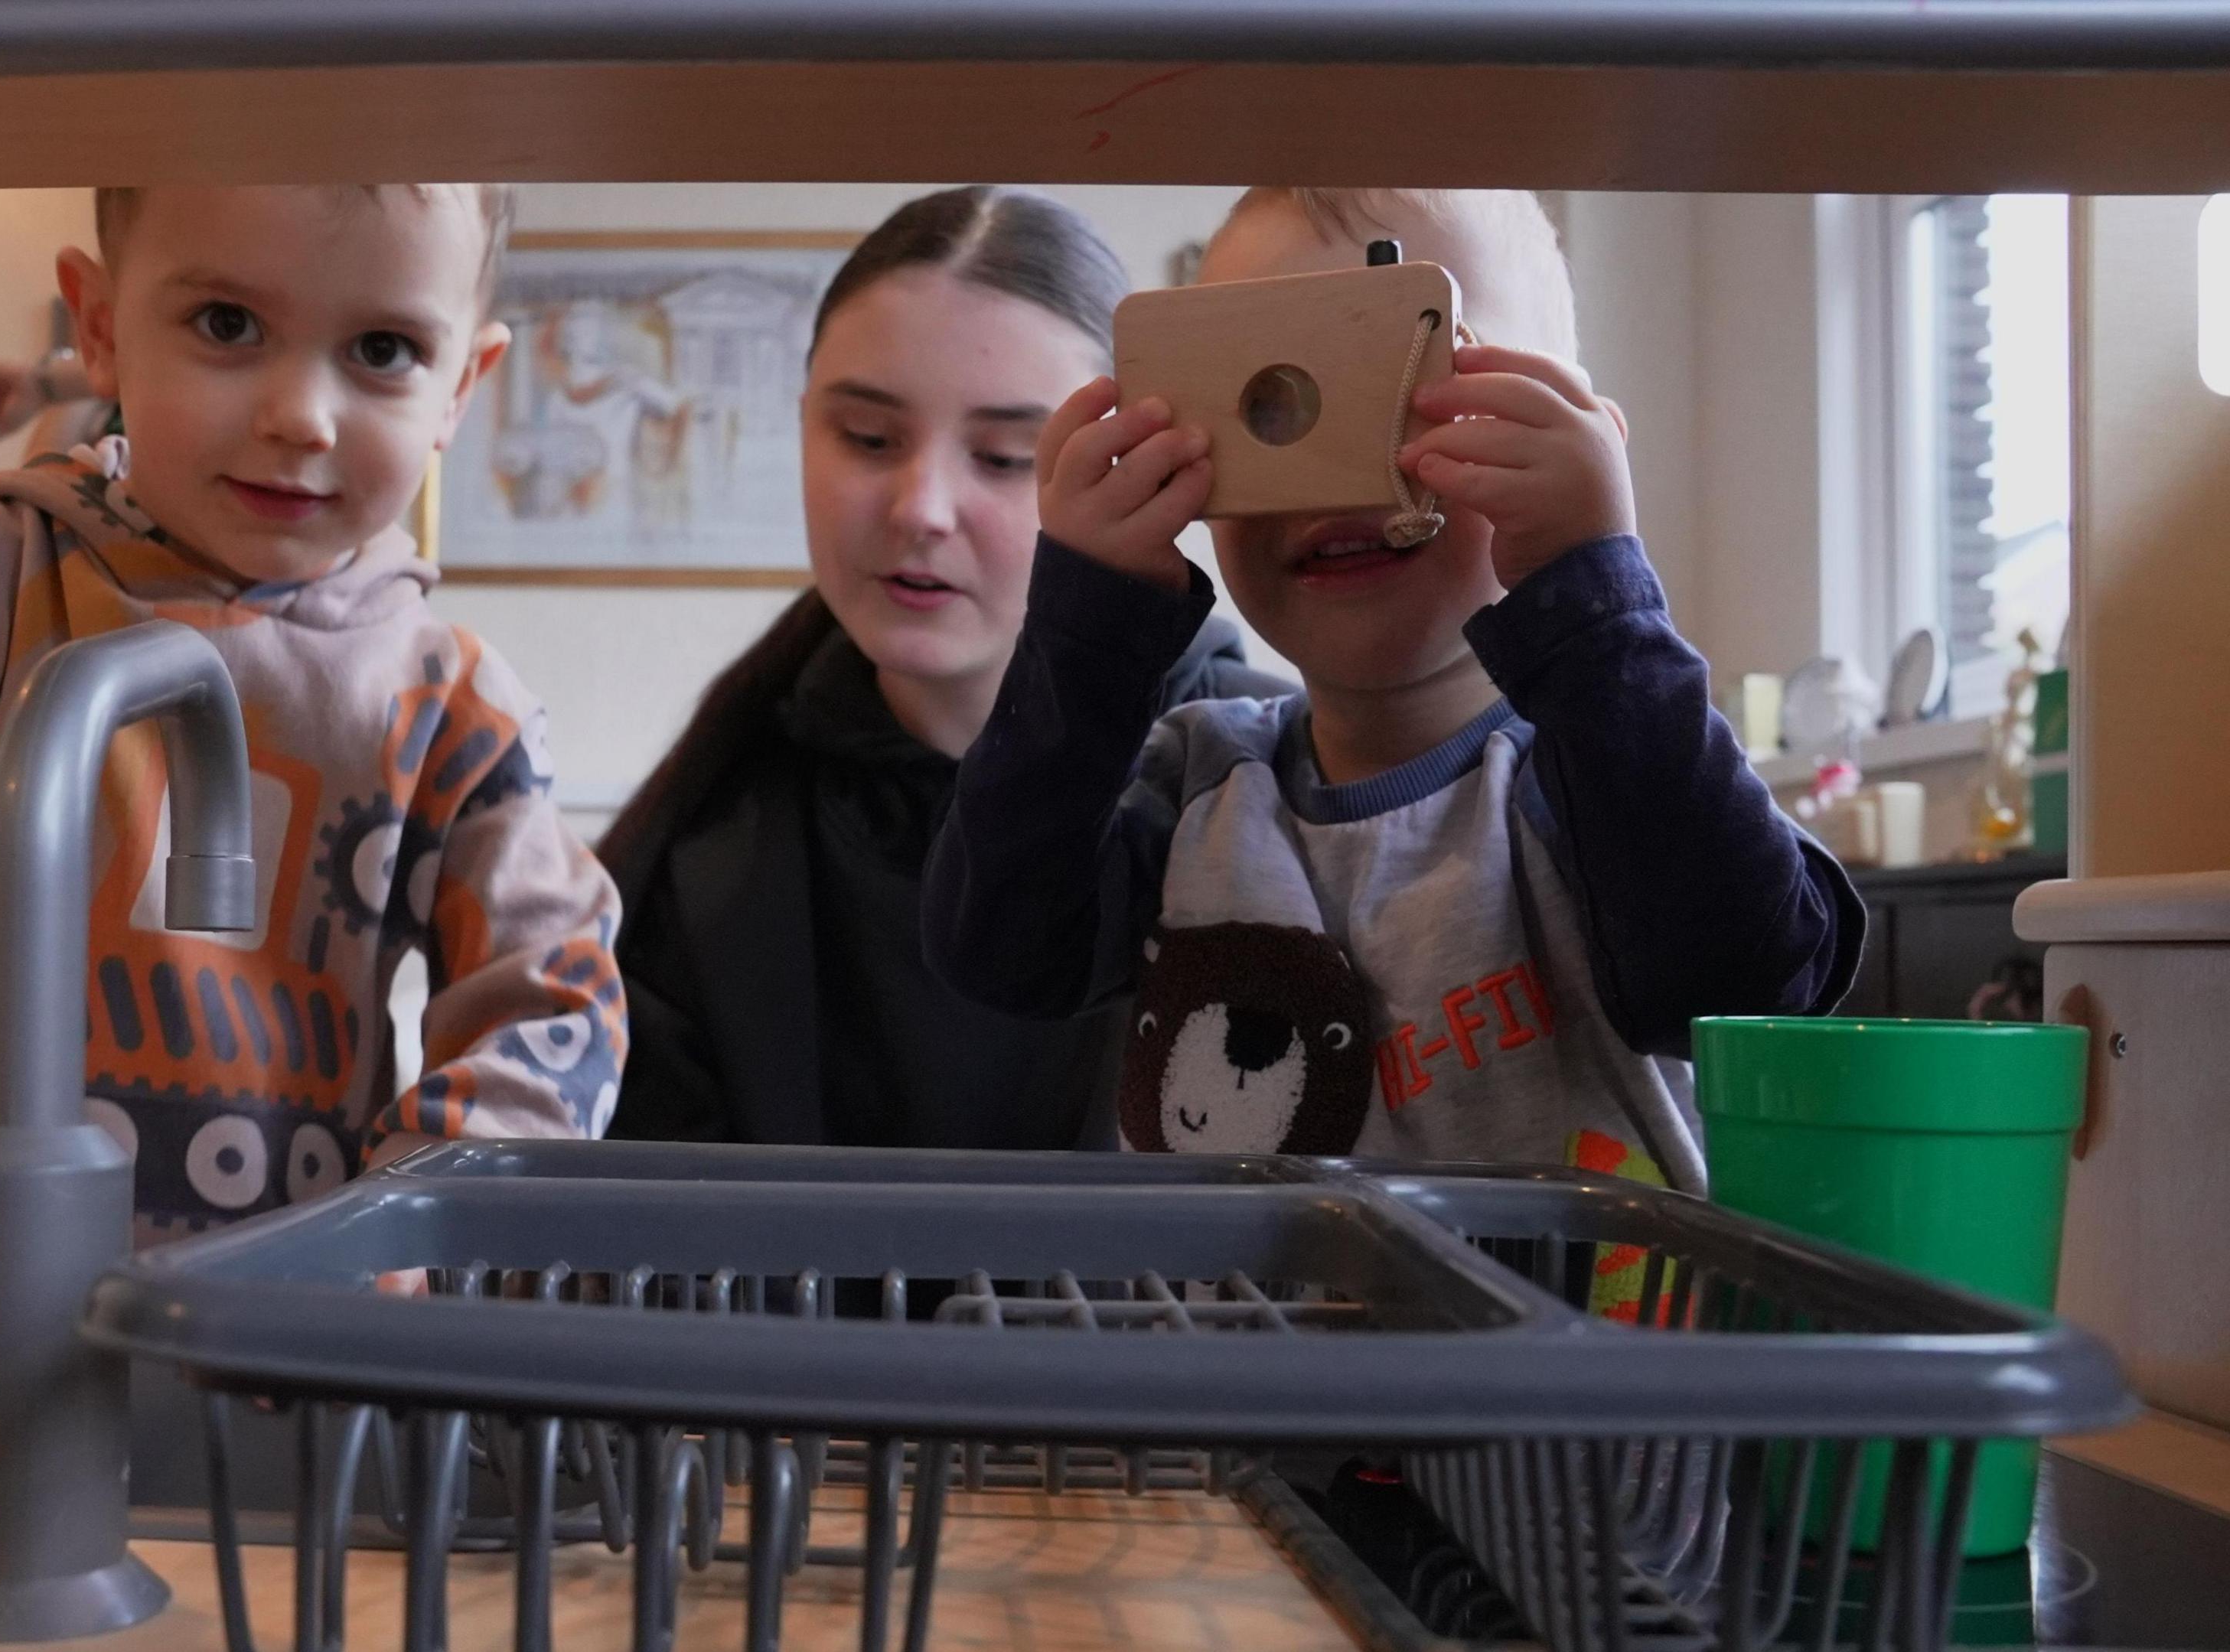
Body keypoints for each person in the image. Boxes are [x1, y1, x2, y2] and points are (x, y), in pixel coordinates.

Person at [0, 184, 624, 1237]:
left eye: (383, 348)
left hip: (296, 1342)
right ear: (99, 328)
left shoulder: (458, 703)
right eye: (228, 325)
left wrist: (425, 1218)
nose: (302, 415)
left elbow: (554, 996)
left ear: (462, 386)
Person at [921, 187, 1860, 1190]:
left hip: (1564, 1344)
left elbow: (1749, 981)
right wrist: (1089, 625)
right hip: (1241, 1348)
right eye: (1272, 403)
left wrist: (1596, 599)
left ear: (1591, 448)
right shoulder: (1199, 782)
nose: (1348, 474)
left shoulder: (1604, 767)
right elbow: (999, 946)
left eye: (1426, 383)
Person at [602, 187, 1284, 1151]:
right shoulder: (708, 839)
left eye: (1007, 457)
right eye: (869, 439)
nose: (922, 506)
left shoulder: (1272, 794)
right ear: (802, 429)